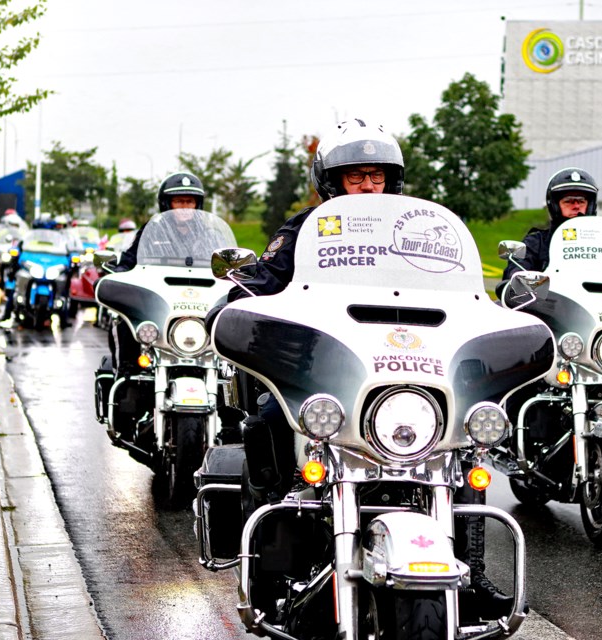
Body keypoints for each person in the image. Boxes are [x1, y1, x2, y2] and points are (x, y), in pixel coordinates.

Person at [214, 119, 513, 619]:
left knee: (465, 454)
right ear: (331, 182)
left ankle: (471, 569)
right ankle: (267, 558)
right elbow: (261, 281)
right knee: (267, 418)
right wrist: (235, 296)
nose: (369, 186)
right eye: (357, 177)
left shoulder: (423, 234)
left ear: (392, 181)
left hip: (409, 378)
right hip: (327, 377)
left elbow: (465, 294)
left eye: (377, 176)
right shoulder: (305, 232)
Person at [497, 167, 602, 474]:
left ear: (591, 205)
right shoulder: (539, 243)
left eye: (581, 201)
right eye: (569, 201)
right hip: (557, 334)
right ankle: (512, 437)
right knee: (526, 368)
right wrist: (516, 283)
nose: (576, 206)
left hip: (600, 334)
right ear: (554, 205)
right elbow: (515, 276)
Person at [104, 172, 205, 376]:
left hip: (199, 301)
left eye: (189, 201)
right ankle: (126, 374)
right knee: (125, 321)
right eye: (179, 201)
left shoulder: (209, 234)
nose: (185, 207)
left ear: (197, 204)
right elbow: (129, 260)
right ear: (167, 204)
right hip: (160, 300)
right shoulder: (152, 231)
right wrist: (118, 272)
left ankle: (232, 383)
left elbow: (221, 264)